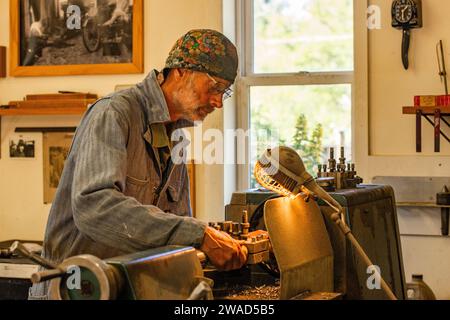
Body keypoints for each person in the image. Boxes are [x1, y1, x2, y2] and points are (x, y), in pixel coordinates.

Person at [29, 29, 248, 300]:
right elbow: (95, 206)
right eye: (214, 87)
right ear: (180, 71)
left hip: (124, 290)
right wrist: (197, 233)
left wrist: (222, 238)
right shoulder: (114, 114)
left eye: (223, 92)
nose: (217, 102)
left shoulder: (176, 136)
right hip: (73, 290)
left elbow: (175, 225)